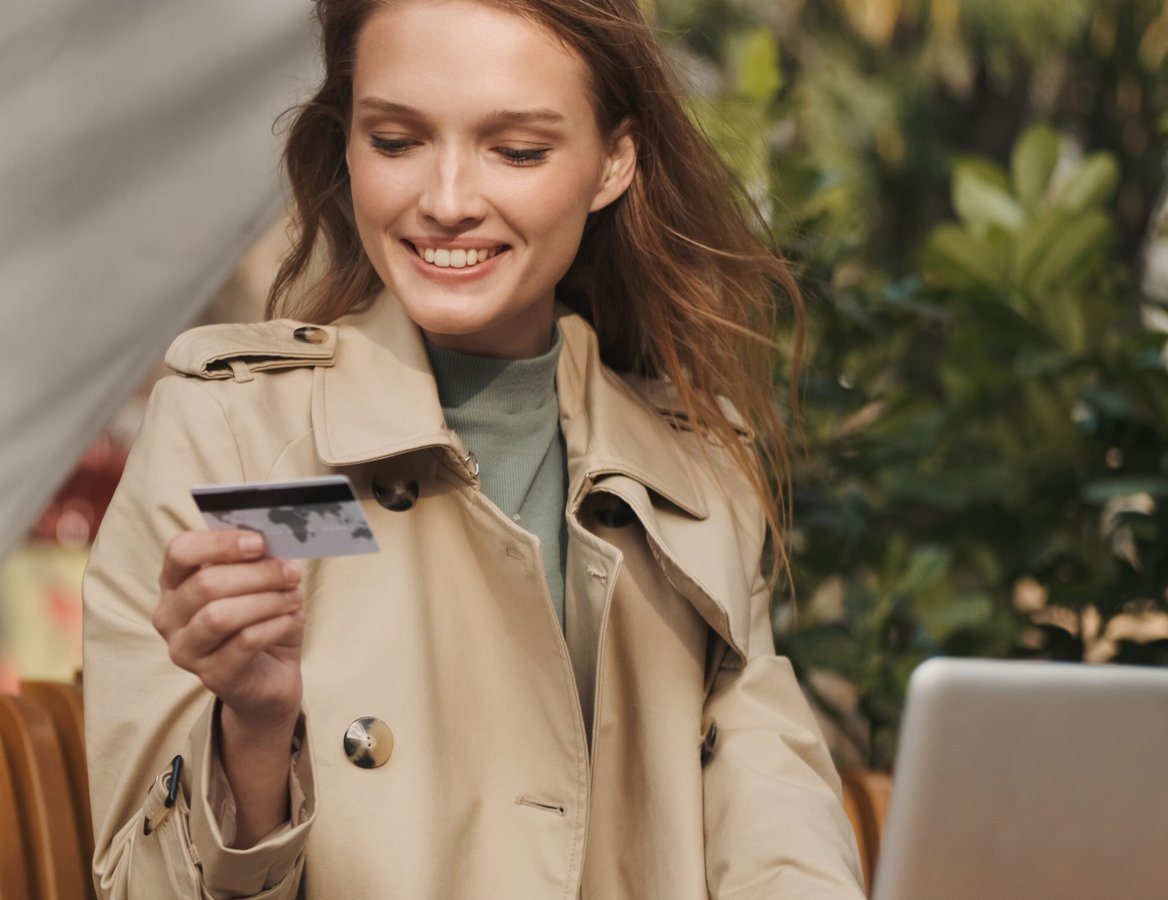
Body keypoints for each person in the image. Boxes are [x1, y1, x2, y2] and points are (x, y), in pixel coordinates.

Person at [81, 0, 866, 897]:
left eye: (517, 152)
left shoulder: (692, 471)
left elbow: (772, 815)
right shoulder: (236, 437)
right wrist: (254, 736)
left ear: (615, 160)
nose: (447, 203)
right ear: (344, 144)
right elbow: (139, 885)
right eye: (395, 142)